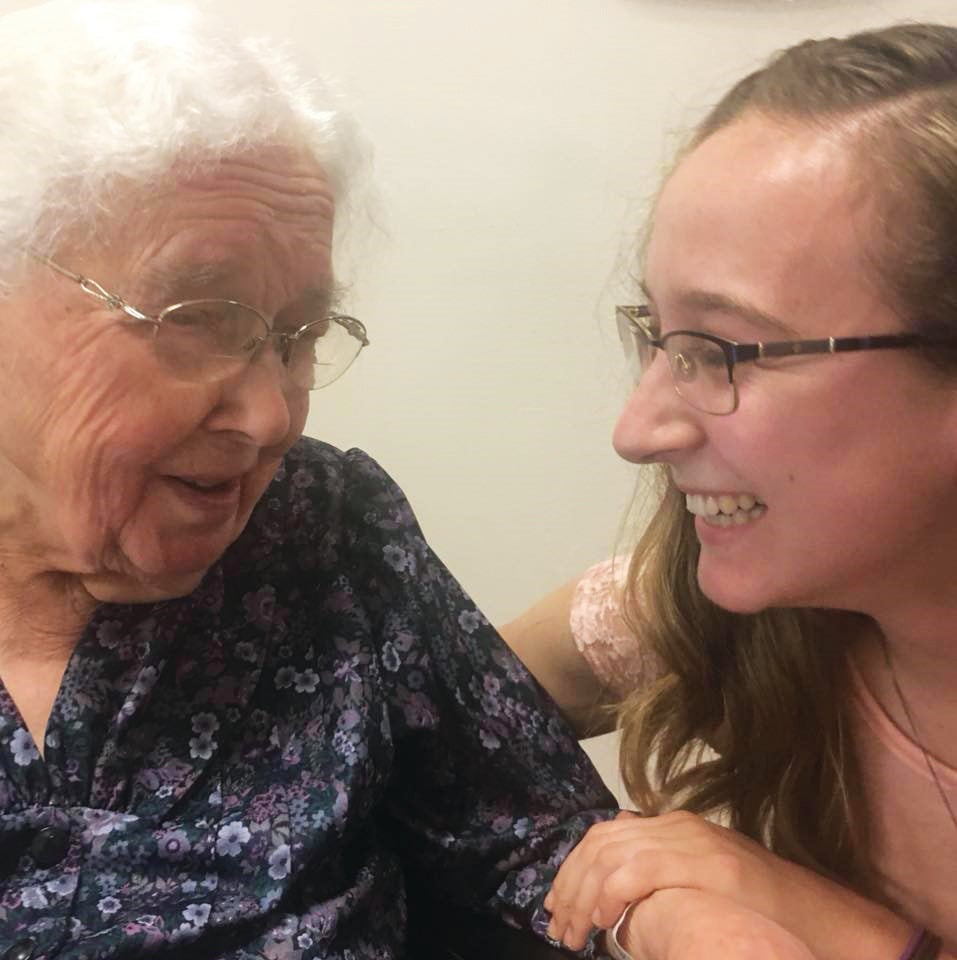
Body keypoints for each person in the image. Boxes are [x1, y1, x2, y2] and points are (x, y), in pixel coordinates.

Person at [0, 2, 620, 957]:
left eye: (300, 336)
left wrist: (660, 910)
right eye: (200, 313)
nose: (271, 417)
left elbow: (532, 839)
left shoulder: (325, 527)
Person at [505, 21, 957, 960]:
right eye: (660, 336)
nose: (638, 431)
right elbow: (424, 712)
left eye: (721, 350)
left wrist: (839, 928)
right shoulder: (703, 611)